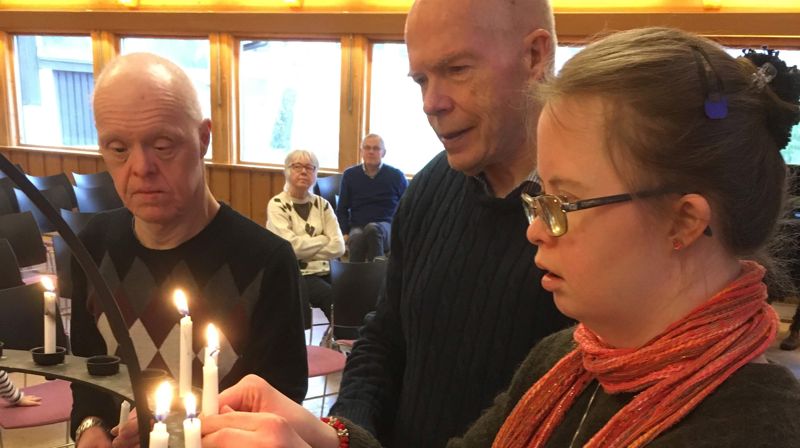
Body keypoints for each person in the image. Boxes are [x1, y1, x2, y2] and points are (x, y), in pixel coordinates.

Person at [199, 27, 800, 448]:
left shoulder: (754, 427)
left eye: (565, 201)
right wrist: (324, 436)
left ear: (684, 221)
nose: (535, 225)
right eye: (540, 197)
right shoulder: (569, 355)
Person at [69, 53, 308, 448]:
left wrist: (178, 430)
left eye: (163, 145)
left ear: (203, 139)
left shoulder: (266, 262)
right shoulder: (93, 247)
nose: (141, 167)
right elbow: (87, 377)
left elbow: (280, 409)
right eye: (118, 149)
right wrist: (89, 429)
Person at [267, 149, 345, 324]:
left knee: (355, 294)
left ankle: (340, 341)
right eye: (297, 166)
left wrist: (304, 248)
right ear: (286, 171)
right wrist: (323, 239)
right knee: (332, 297)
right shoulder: (277, 205)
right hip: (297, 273)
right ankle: (342, 344)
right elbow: (290, 248)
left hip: (328, 270)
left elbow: (339, 246)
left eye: (310, 168)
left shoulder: (322, 204)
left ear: (316, 173)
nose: (304, 171)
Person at [336, 134, 407, 262]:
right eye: (367, 148)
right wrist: (345, 233)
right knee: (356, 238)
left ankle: (378, 278)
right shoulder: (350, 175)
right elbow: (342, 208)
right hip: (358, 225)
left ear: (383, 153)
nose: (371, 152)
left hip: (386, 227)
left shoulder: (396, 176)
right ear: (361, 151)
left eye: (376, 148)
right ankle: (354, 279)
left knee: (373, 229)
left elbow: (407, 207)